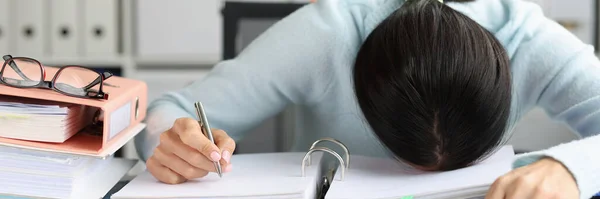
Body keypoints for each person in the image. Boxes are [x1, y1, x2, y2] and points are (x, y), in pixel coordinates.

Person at [134, 0, 600, 198]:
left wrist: (571, 167)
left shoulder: (531, 40)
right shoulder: (325, 36)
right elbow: (169, 112)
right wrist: (172, 145)